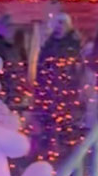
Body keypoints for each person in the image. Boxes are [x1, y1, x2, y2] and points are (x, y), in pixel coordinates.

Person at [34, 11, 83, 163]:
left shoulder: (73, 45)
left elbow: (78, 69)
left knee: (65, 126)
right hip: (49, 93)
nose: (60, 27)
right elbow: (41, 67)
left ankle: (66, 157)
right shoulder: (48, 44)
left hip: (66, 93)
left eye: (63, 24)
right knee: (48, 125)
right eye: (58, 23)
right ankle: (48, 155)